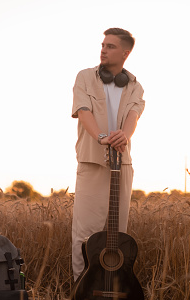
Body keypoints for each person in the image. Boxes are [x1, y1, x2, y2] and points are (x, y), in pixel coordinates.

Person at [71, 28, 145, 281]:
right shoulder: (84, 77)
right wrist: (102, 138)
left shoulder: (135, 86)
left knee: (117, 235)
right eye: (103, 45)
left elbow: (133, 116)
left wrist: (124, 135)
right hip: (92, 161)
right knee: (85, 234)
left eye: (111, 46)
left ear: (125, 53)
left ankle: (113, 294)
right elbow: (83, 111)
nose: (103, 49)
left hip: (122, 164)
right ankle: (80, 295)